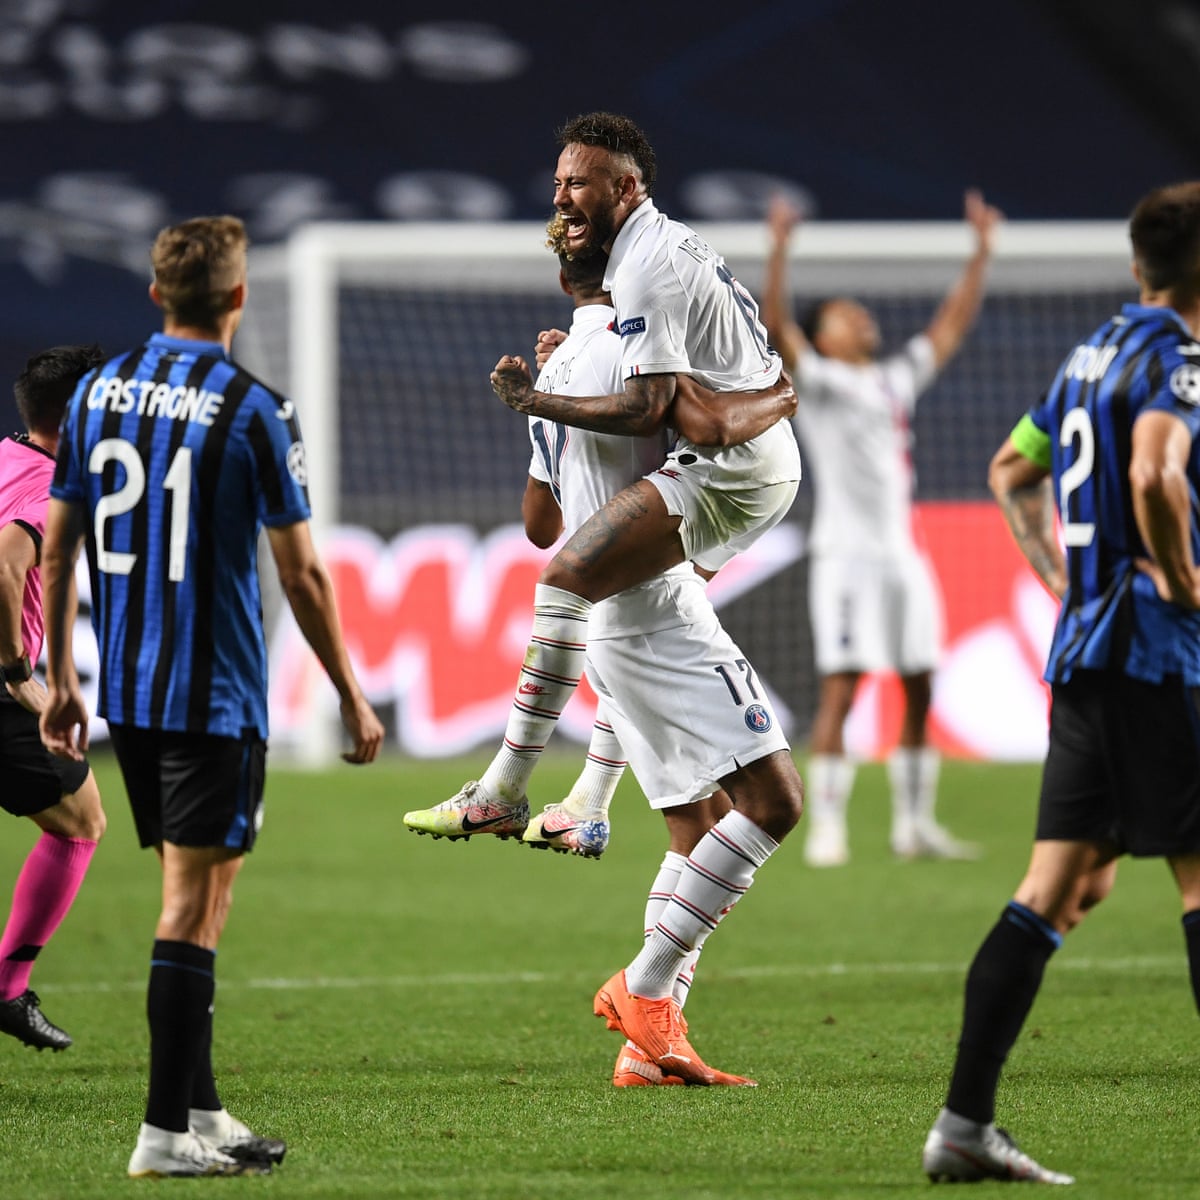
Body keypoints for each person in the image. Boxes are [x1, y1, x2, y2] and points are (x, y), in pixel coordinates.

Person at [39, 215, 385, 1179]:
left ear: (157, 295)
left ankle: (201, 1107)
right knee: (193, 906)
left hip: (132, 694)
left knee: (201, 900)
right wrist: (352, 694)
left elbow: (59, 543)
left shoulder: (96, 392)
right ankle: (161, 1135)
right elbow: (305, 577)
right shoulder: (253, 408)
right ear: (237, 298)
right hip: (214, 695)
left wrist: (64, 679)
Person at [921, 181, 1200, 1185]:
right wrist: (1184, 579)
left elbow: (1009, 468)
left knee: (1065, 888)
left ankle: (962, 1125)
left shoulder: (1091, 357)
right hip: (1159, 653)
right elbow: (1154, 475)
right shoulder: (1177, 363)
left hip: (1084, 647)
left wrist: (1059, 576)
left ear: (1139, 267)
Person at [516, 235, 790, 1085]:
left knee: (694, 824)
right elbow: (696, 422)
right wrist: (781, 391)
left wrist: (547, 400)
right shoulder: (639, 361)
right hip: (657, 614)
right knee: (773, 801)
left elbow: (538, 525)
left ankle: (649, 1046)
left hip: (617, 622)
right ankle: (643, 989)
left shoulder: (557, 373)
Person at [761, 190, 1002, 866]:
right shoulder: (823, 383)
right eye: (845, 314)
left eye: (860, 312)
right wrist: (779, 249)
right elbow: (780, 326)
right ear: (826, 336)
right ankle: (829, 827)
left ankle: (913, 824)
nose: (862, 318)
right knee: (844, 685)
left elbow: (949, 327)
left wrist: (980, 254)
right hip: (845, 557)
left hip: (903, 556)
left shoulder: (894, 379)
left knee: (921, 681)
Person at [0, 344, 107, 1053]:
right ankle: (5, 987)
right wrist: (16, 672)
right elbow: (6, 565)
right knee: (80, 820)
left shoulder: (6, 459)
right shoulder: (46, 486)